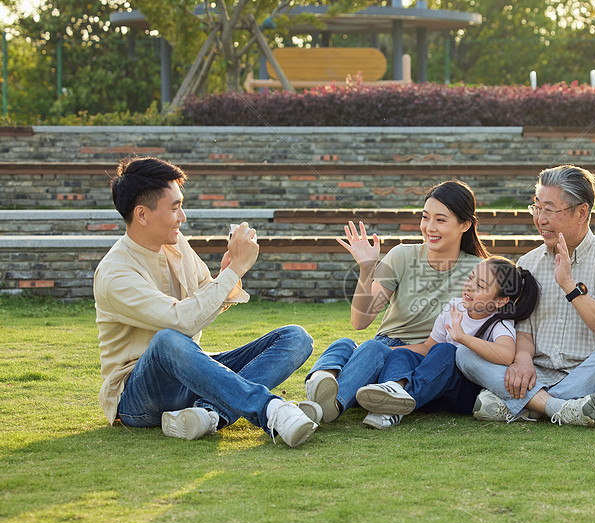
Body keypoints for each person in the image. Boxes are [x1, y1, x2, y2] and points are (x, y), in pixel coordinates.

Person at [94, 156, 320, 448]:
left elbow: (205, 293)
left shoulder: (175, 243)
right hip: (138, 394)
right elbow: (182, 321)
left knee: (295, 338)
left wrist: (226, 275)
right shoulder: (115, 273)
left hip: (188, 374)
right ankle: (271, 410)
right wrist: (236, 270)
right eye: (175, 207)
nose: (183, 217)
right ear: (142, 214)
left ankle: (209, 414)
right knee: (166, 341)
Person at [456, 165, 595, 427]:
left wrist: (569, 286)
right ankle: (560, 407)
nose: (540, 219)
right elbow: (523, 326)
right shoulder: (529, 262)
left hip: (586, 374)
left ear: (582, 212)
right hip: (534, 373)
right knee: (464, 353)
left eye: (550, 210)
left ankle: (528, 406)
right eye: (537, 207)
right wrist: (521, 360)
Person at [305, 181, 489, 424]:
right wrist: (366, 269)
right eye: (425, 217)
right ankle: (321, 390)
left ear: (465, 224)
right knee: (344, 343)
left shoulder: (478, 271)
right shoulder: (402, 256)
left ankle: (334, 401)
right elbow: (361, 321)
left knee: (372, 350)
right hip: (383, 347)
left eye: (440, 220)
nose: (429, 227)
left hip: (425, 358)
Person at [355, 256, 540, 429]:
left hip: (465, 392)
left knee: (446, 350)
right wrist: (386, 350)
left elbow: (506, 354)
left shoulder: (500, 322)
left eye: (480, 286)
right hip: (436, 389)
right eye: (470, 278)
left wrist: (463, 338)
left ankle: (392, 405)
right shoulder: (454, 306)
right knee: (404, 354)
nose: (469, 287)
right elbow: (427, 347)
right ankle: (393, 391)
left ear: (500, 301)